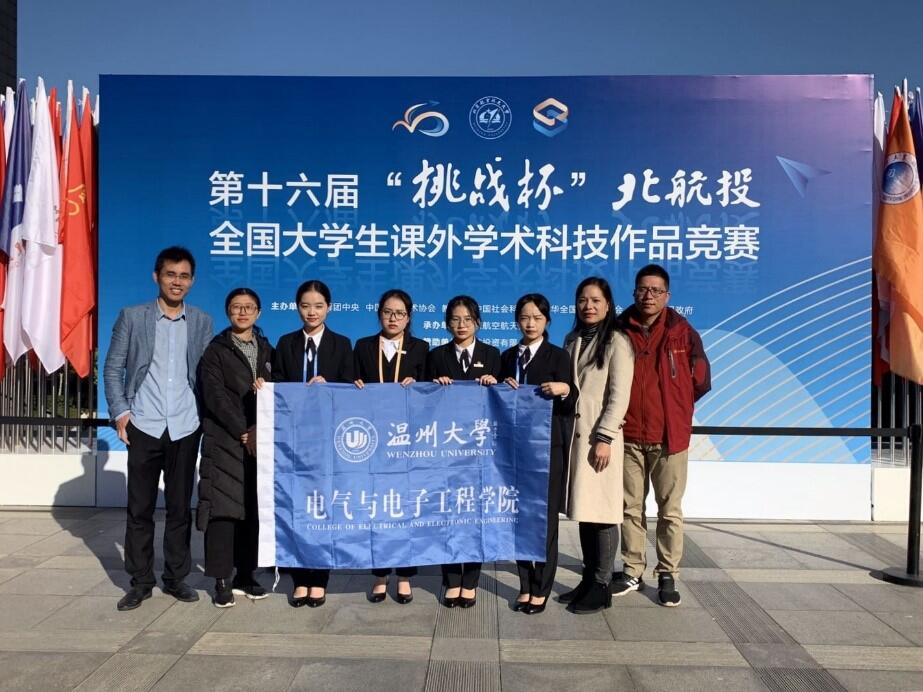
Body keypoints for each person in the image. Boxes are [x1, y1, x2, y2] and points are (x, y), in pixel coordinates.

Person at [103, 246, 214, 611]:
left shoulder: (201, 321)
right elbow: (113, 367)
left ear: (192, 281)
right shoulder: (133, 317)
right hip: (145, 424)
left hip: (185, 425)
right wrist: (121, 412)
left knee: (180, 508)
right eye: (170, 274)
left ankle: (176, 578)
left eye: (184, 276)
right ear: (157, 277)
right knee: (140, 509)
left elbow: (206, 373)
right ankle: (140, 581)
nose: (176, 282)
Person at [613, 264, 711, 607]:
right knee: (630, 508)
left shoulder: (683, 332)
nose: (648, 296)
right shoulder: (619, 329)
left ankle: (668, 572)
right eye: (643, 289)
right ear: (634, 292)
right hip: (628, 435)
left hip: (669, 438)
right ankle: (632, 569)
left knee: (669, 510)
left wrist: (677, 408)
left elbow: (701, 379)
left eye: (656, 290)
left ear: (667, 296)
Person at [272, 279, 354, 608]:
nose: (312, 312)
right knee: (295, 508)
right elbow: (277, 386)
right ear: (297, 308)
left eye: (318, 306)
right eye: (306, 306)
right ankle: (298, 578)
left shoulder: (342, 345)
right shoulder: (286, 343)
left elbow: (351, 390)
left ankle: (319, 578)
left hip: (327, 441)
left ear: (329, 308)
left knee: (322, 508)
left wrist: (329, 386)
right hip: (292, 441)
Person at [558, 277, 634, 614]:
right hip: (576, 437)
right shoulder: (572, 339)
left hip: (599, 440)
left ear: (607, 305)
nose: (588, 306)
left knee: (602, 513)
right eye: (582, 300)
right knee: (585, 511)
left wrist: (604, 437)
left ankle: (602, 585)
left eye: (595, 300)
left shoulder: (618, 341)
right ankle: (588, 579)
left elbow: (619, 396)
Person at [196, 288, 272, 608]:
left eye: (249, 307)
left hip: (259, 442)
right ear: (228, 311)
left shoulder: (267, 349)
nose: (242, 312)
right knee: (223, 513)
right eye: (236, 307)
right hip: (225, 442)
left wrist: (258, 430)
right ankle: (221, 580)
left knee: (253, 512)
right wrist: (244, 430)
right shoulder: (216, 350)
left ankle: (246, 574)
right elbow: (214, 396)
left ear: (258, 312)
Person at [425, 295, 501, 609]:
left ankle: (470, 581)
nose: (461, 325)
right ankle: (451, 579)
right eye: (455, 319)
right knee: (447, 514)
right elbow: (424, 401)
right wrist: (434, 385)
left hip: (480, 452)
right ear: (447, 324)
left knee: (474, 514)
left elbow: (504, 397)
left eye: (467, 319)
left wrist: (495, 383)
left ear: (478, 322)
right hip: (446, 449)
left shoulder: (492, 355)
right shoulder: (437, 356)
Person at [354, 288, 429, 604]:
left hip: (407, 442)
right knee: (379, 510)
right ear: (379, 314)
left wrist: (420, 386)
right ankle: (380, 574)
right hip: (373, 442)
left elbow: (432, 395)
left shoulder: (421, 348)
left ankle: (406, 575)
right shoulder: (363, 346)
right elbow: (349, 384)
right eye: (387, 312)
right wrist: (354, 385)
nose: (393, 318)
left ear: (409, 317)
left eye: (399, 313)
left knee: (406, 509)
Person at [500, 293, 573, 615]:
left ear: (547, 321)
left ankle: (541, 587)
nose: (530, 323)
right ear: (517, 320)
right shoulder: (507, 357)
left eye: (537, 318)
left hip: (547, 450)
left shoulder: (558, 356)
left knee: (544, 520)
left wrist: (564, 389)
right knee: (518, 517)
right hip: (514, 452)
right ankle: (525, 585)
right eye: (524, 317)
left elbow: (571, 402)